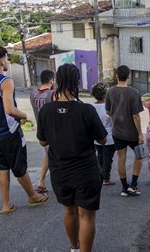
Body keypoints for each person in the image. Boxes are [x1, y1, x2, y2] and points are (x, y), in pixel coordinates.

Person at [37, 64, 107, 252]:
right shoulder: (86, 111)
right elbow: (102, 139)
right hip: (86, 170)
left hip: (59, 171)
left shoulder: (45, 111)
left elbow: (43, 142)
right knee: (87, 215)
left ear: (57, 81)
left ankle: (74, 248)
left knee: (69, 210)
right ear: (76, 82)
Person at [0, 46, 48, 214]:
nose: (8, 61)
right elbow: (9, 109)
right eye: (7, 58)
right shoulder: (5, 81)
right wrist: (23, 114)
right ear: (1, 60)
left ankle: (6, 204)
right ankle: (32, 196)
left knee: (3, 167)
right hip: (9, 131)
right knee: (19, 167)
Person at [105, 65, 144, 197]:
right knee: (139, 156)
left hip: (117, 132)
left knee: (121, 159)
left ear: (116, 76)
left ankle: (124, 187)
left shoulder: (110, 91)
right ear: (129, 76)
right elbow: (136, 116)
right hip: (132, 133)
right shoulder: (134, 92)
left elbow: (108, 112)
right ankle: (133, 185)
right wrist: (140, 134)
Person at [30, 69, 56, 194]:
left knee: (48, 155)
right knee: (55, 156)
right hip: (53, 130)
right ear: (52, 80)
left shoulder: (33, 93)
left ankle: (41, 181)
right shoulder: (52, 94)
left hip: (41, 131)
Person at [91, 82, 116, 186]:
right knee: (108, 159)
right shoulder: (109, 107)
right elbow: (113, 121)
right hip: (109, 136)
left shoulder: (91, 107)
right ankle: (106, 179)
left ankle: (100, 177)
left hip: (96, 137)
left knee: (100, 157)